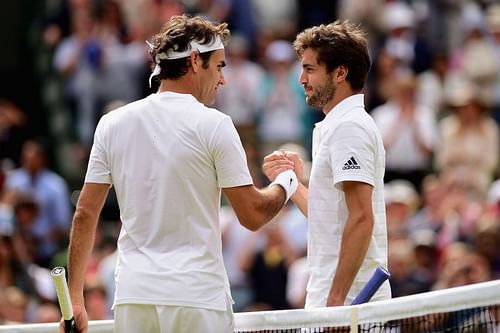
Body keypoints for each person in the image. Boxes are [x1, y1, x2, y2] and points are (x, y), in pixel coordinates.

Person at [63, 15, 298, 333]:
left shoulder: (111, 124)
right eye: (219, 66)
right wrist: (287, 180)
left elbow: (85, 213)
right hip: (197, 298)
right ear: (195, 60)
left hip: (134, 297)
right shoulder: (215, 125)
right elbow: (253, 215)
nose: (222, 79)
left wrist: (75, 300)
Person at [263, 20, 391, 308]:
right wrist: (292, 181)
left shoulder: (350, 128)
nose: (301, 79)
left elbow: (361, 219)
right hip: (333, 298)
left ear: (340, 73)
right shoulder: (336, 126)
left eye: (309, 69)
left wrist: (335, 302)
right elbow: (329, 215)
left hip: (348, 303)